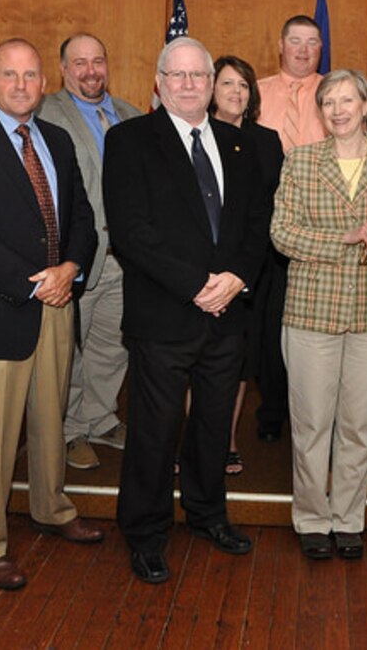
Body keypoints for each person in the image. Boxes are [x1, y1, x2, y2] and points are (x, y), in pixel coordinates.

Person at [0, 38, 104, 591]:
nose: (22, 84)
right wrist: (36, 284)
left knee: (50, 418)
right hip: (1, 306)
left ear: (43, 82)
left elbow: (81, 215)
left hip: (58, 303)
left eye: (31, 75)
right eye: (10, 74)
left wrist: (72, 266)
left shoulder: (54, 138)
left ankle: (51, 508)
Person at [104, 37, 268, 585]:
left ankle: (206, 515)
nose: (190, 84)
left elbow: (254, 225)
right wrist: (197, 284)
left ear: (212, 81)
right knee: (155, 430)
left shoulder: (235, 143)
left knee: (214, 426)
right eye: (178, 75)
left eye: (200, 75)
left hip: (227, 315)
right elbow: (131, 233)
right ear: (158, 81)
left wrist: (237, 278)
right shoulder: (128, 140)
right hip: (165, 314)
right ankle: (146, 534)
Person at [271, 69, 367, 560]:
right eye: (328, 102)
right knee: (311, 425)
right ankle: (312, 518)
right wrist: (343, 239)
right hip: (311, 312)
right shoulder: (301, 161)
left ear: (366, 106)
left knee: (359, 426)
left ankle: (349, 518)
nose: (338, 110)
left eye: (347, 100)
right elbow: (282, 234)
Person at [37, 33, 141, 471]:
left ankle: (97, 418)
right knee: (70, 350)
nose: (90, 71)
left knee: (111, 346)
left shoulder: (131, 115)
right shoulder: (45, 116)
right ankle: (68, 431)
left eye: (97, 61)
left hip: (125, 258)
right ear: (63, 69)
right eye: (79, 63)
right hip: (75, 254)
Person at [209, 55, 286, 471]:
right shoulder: (194, 137)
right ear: (210, 90)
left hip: (255, 269)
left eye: (243, 85)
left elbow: (275, 204)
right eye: (227, 84)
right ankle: (197, 438)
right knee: (199, 356)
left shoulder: (267, 141)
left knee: (240, 357)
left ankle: (227, 438)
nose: (236, 92)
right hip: (203, 270)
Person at [257, 15, 328, 152]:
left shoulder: (334, 93)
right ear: (281, 46)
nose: (303, 50)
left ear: (320, 48)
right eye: (295, 41)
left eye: (312, 42)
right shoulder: (255, 92)